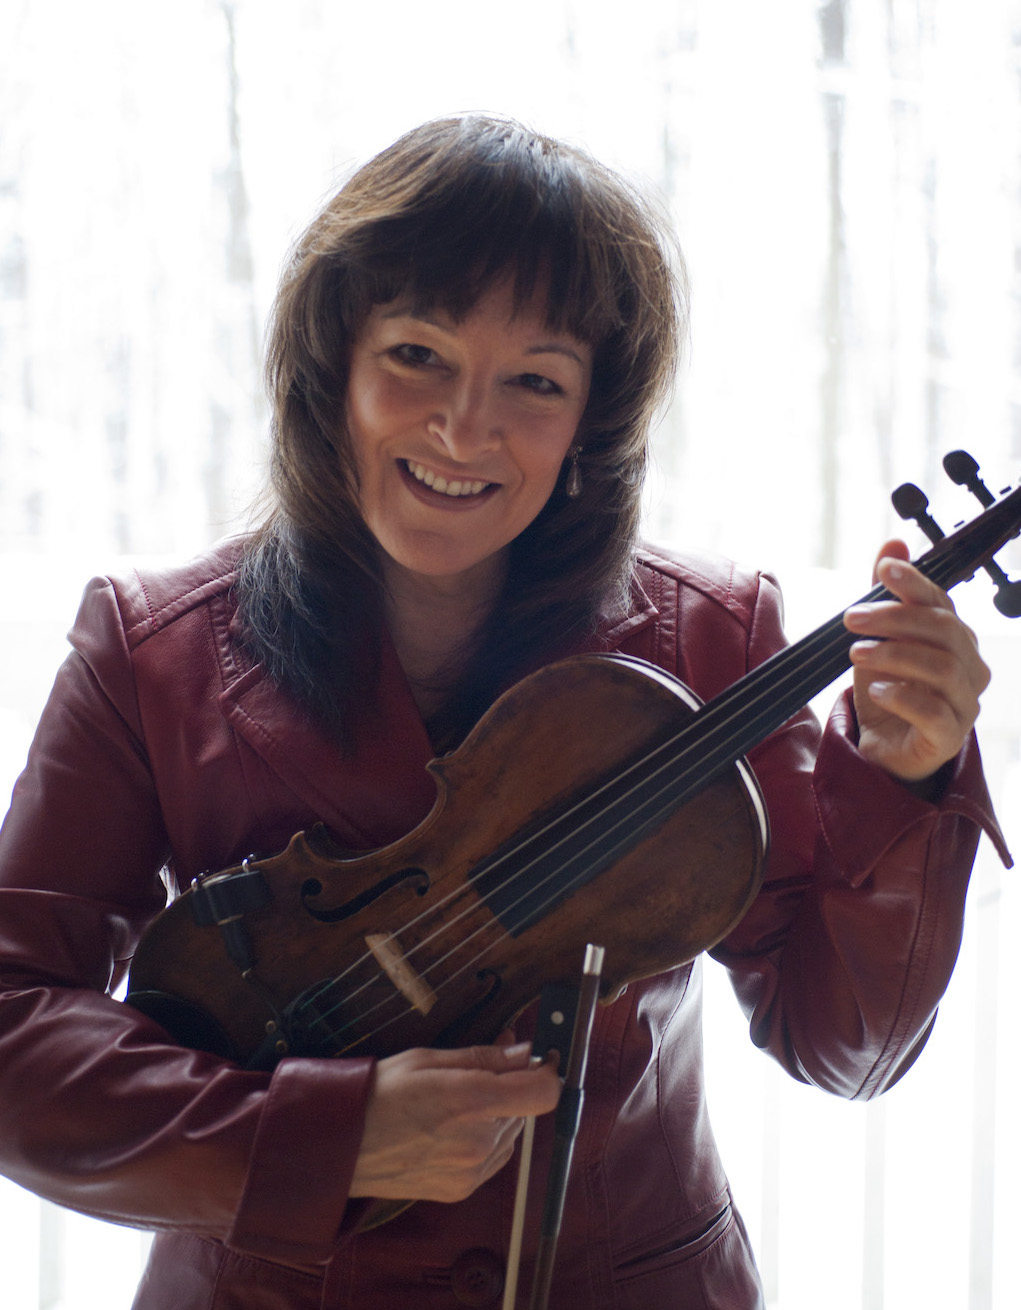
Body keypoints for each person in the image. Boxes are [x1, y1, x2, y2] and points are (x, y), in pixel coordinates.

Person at [0, 114, 1010, 1310]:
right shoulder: (148, 648)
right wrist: (323, 1135)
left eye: (534, 380)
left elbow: (844, 1047)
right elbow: (16, 1026)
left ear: (590, 423)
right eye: (417, 355)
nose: (465, 426)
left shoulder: (707, 634)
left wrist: (902, 776)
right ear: (335, 369)